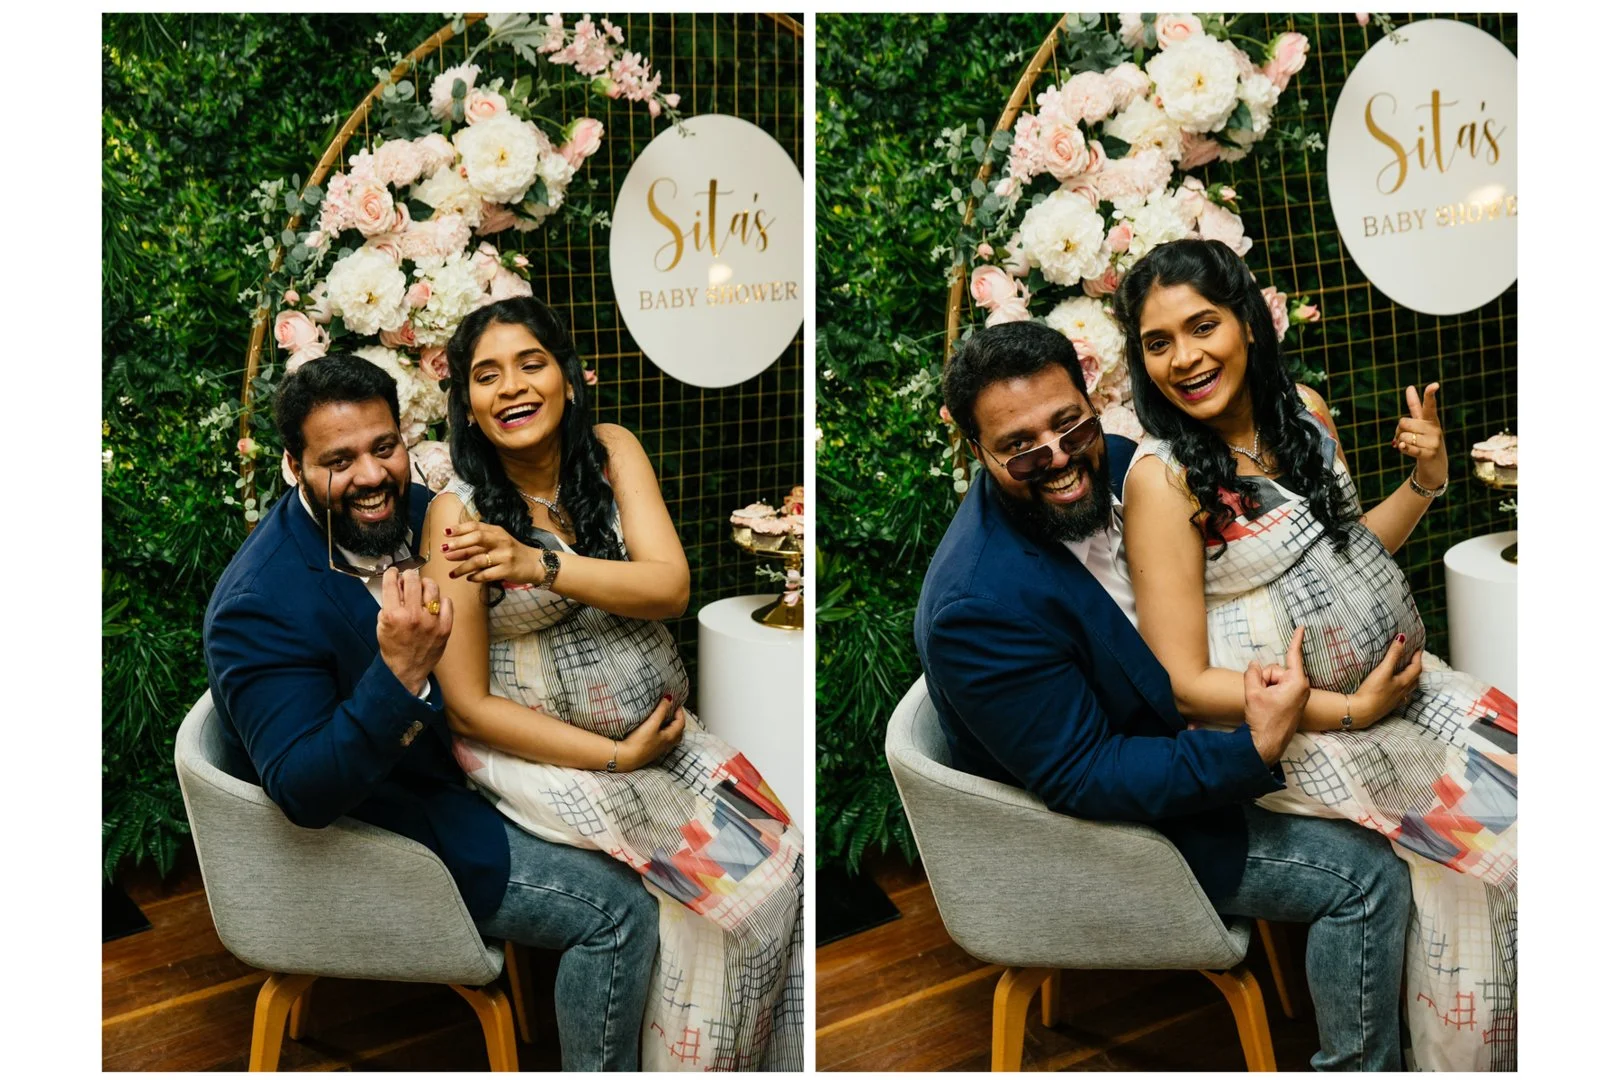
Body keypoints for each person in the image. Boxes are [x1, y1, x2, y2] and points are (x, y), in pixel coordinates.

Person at [917, 319, 1412, 1071]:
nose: (1057, 459)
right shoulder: (979, 602)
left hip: (1194, 737)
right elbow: (1085, 775)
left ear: (1092, 402)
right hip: (1124, 830)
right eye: (1019, 445)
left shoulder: (1124, 464)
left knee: (1421, 802)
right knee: (1367, 874)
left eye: (1067, 424)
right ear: (975, 450)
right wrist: (1254, 748)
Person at [1113, 238, 1517, 1071]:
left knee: (1532, 776)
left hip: (1391, 696)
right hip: (1296, 736)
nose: (1184, 358)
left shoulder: (1303, 412)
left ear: (1249, 325)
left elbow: (1350, 555)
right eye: (1158, 342)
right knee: (1469, 851)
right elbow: (1183, 685)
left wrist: (1427, 481)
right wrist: (1348, 708)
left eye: (1203, 326)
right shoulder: (1165, 482)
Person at [203, 354, 659, 1071]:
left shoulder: (422, 510)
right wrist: (398, 673)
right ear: (293, 466)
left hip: (491, 766)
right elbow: (302, 792)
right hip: (402, 824)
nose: (371, 476)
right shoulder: (258, 605)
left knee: (667, 845)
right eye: (338, 460)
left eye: (384, 448)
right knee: (620, 911)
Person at [419, 296, 803, 1072]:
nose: (512, 388)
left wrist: (541, 564)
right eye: (486, 376)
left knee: (782, 862)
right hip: (549, 760)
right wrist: (614, 757)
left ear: (568, 375)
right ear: (466, 404)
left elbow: (668, 588)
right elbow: (466, 704)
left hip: (663, 742)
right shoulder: (456, 515)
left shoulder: (610, 450)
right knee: (717, 912)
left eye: (531, 363)